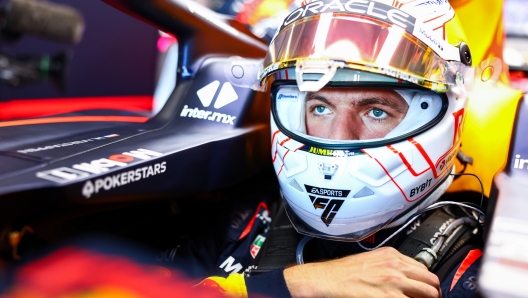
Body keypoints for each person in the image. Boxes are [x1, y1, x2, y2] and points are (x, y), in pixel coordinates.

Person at [167, 0, 486, 297]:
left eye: (376, 111)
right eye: (321, 108)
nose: (339, 136)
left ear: (447, 117)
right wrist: (291, 285)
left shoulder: (473, 271)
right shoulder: (248, 212)